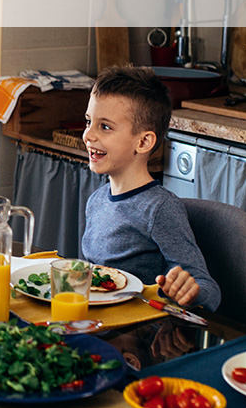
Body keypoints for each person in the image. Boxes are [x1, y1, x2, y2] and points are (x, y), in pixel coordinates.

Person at [78, 65, 220, 311]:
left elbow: (209, 291)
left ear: (143, 141)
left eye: (105, 127)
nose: (88, 135)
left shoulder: (160, 209)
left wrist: (189, 291)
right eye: (89, 121)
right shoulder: (97, 200)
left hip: (140, 336)